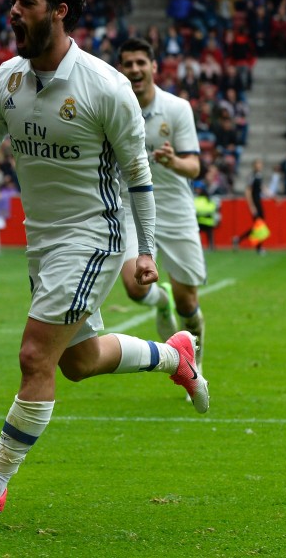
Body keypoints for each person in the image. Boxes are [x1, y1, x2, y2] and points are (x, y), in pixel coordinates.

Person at [0, 0, 209, 518]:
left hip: (95, 235)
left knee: (35, 355)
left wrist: (145, 250)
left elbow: (140, 176)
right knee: (79, 360)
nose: (13, 12)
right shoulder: (8, 79)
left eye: (27, 3)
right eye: (12, 2)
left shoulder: (105, 87)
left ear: (59, 11)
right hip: (42, 240)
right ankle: (174, 357)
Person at [116, 37, 207, 355]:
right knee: (134, 287)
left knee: (189, 302)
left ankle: (194, 368)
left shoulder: (177, 108)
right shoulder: (111, 108)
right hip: (129, 206)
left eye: (141, 62)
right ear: (121, 70)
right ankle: (161, 300)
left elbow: (194, 167)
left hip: (173, 205)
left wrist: (173, 161)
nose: (135, 69)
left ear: (154, 67)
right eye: (128, 64)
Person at [233, 158, 268, 253]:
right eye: (257, 164)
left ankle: (238, 239)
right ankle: (259, 247)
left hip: (259, 202)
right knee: (259, 226)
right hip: (255, 203)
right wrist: (251, 206)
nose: (259, 166)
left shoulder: (259, 176)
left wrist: (272, 196)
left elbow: (262, 188)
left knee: (259, 226)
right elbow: (248, 191)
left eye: (260, 164)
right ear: (254, 166)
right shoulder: (252, 176)